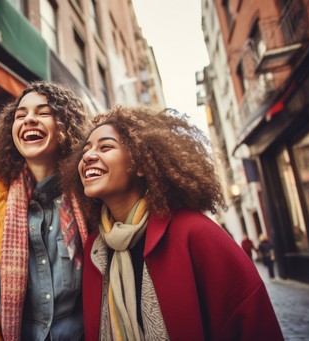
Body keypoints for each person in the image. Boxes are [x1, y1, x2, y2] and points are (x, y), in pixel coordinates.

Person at [65, 105, 283, 340]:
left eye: (106, 147)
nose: (87, 156)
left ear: (139, 164)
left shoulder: (195, 232)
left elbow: (250, 320)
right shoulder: (94, 248)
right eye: (85, 150)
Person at [0, 81, 90, 341]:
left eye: (43, 112)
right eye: (21, 115)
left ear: (66, 124)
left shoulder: (90, 195)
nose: (29, 119)